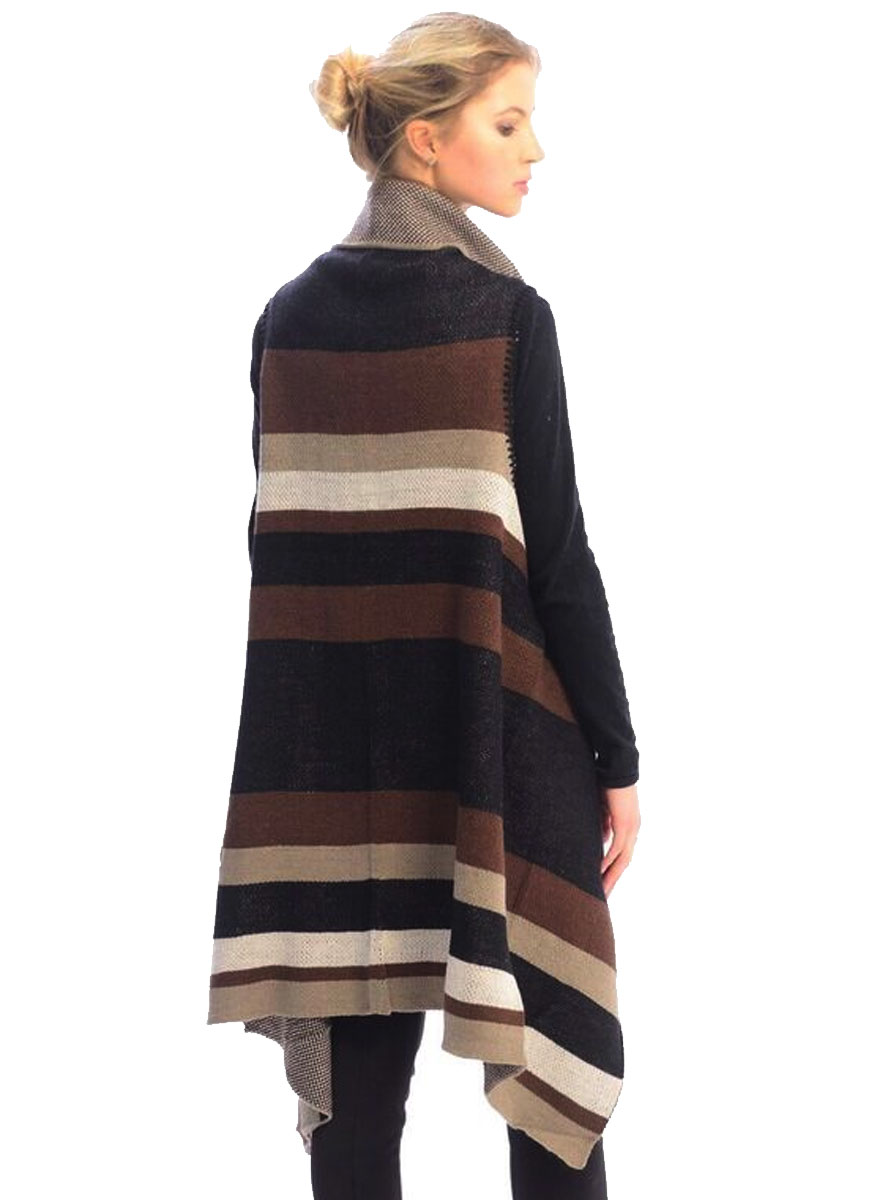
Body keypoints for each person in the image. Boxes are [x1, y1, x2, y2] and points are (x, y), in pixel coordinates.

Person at [207, 13, 641, 1199]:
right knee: (549, 1072)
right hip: (499, 742)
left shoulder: (287, 319)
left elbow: (278, 557)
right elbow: (560, 564)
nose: (535, 149)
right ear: (427, 141)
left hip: (332, 764)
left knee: (357, 1109)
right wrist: (616, 756)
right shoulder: (504, 318)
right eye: (510, 122)